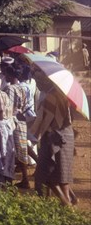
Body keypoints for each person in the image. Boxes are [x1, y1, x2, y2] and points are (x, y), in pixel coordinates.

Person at [31, 76, 77, 206]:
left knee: (45, 174)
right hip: (67, 135)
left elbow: (42, 121)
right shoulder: (66, 97)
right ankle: (69, 199)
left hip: (54, 137)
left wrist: (35, 135)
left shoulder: (51, 97)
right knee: (62, 174)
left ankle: (66, 203)